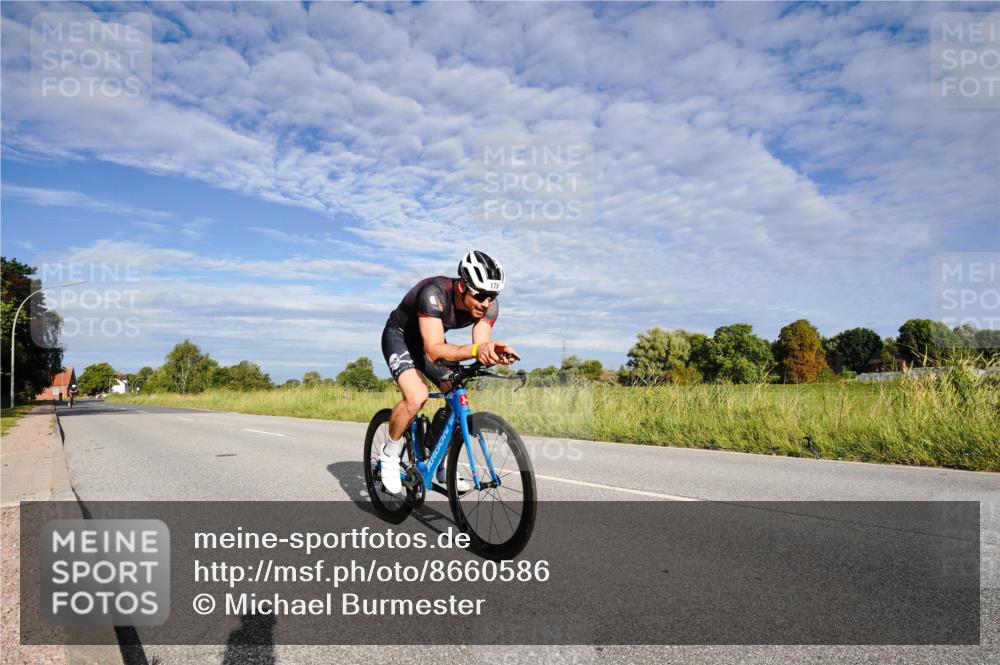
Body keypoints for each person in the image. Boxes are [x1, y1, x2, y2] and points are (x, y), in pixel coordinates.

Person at [379, 250, 519, 495]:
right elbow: (434, 350)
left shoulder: (488, 306)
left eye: (493, 296)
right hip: (400, 337)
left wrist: (492, 353)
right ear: (463, 285)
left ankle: (439, 460)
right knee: (417, 397)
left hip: (429, 341)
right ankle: (389, 454)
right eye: (482, 295)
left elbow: (480, 343)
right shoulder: (434, 293)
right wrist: (477, 349)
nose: (487, 302)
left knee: (455, 391)